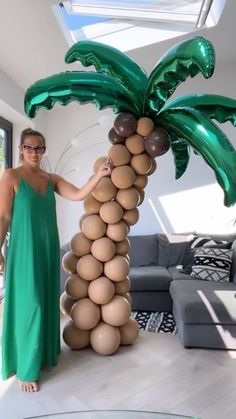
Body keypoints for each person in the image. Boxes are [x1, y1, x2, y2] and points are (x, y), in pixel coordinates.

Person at [0, 127, 112, 392]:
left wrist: (99, 175)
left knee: (46, 300)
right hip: (24, 250)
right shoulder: (10, 177)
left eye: (39, 148)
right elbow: (4, 217)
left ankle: (43, 355)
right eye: (29, 147)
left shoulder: (51, 179)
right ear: (20, 149)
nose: (34, 153)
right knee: (31, 305)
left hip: (48, 248)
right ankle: (26, 367)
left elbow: (78, 194)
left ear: (44, 150)